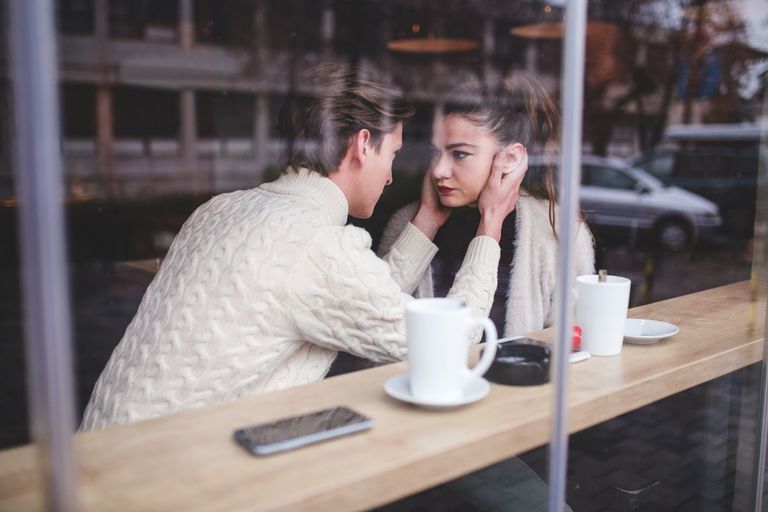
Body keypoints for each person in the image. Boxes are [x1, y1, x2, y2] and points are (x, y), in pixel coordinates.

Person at [80, 64, 519, 431]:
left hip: (100, 453)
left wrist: (427, 217)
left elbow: (358, 301)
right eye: (394, 155)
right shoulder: (316, 245)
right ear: (363, 145)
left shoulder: (218, 209)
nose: (391, 176)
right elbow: (451, 347)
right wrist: (491, 222)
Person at [380, 76, 595, 337]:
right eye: (435, 152)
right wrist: (425, 220)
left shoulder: (559, 232)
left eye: (459, 154)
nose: (438, 170)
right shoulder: (407, 224)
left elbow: (570, 349)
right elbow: (374, 334)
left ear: (511, 158)